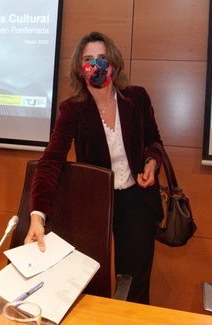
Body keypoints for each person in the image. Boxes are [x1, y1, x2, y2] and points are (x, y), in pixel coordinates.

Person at [24, 31, 164, 304]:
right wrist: (37, 214)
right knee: (86, 284)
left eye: (102, 59)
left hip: (136, 201)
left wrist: (151, 162)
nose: (96, 66)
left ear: (113, 64)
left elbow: (154, 141)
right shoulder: (72, 110)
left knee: (134, 287)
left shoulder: (137, 98)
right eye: (89, 59)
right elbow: (51, 161)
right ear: (79, 67)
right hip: (95, 205)